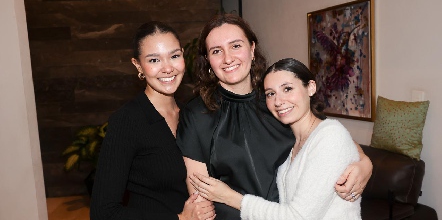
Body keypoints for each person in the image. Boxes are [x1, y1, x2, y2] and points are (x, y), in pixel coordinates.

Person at [176, 14, 371, 219]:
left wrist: (365, 163)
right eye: (216, 51)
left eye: (235, 46)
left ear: (252, 49)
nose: (227, 58)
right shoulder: (197, 113)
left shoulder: (277, 100)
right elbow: (200, 200)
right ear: (208, 60)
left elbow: (325, 135)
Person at [190, 57, 361, 219]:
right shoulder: (292, 141)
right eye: (270, 94)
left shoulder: (330, 136)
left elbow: (298, 217)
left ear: (310, 87)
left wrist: (230, 197)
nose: (278, 101)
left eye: (287, 89)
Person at [90, 21, 215, 220]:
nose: (168, 68)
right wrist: (179, 219)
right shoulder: (127, 122)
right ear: (138, 65)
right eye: (154, 60)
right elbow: (103, 212)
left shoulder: (192, 114)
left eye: (174, 56)